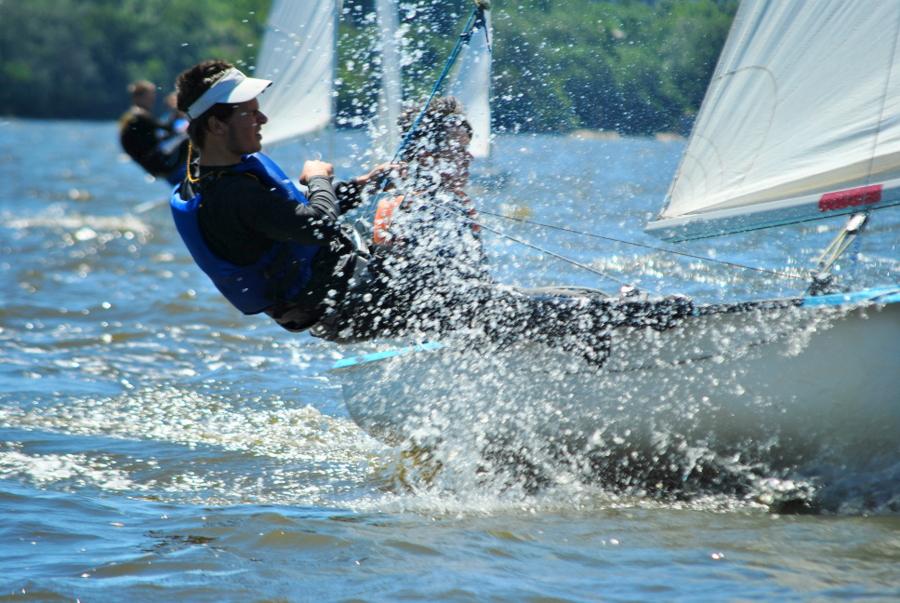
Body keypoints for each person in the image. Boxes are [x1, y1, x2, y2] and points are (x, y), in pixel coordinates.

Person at [170, 59, 692, 364]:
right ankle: (626, 321)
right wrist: (320, 178)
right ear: (215, 125)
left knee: (480, 296)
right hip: (355, 305)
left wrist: (357, 187)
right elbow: (317, 225)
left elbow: (295, 220)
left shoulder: (228, 177)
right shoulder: (231, 195)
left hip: (364, 288)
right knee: (481, 304)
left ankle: (596, 313)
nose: (262, 118)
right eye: (248, 112)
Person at [119, 80, 189, 185]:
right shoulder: (140, 116)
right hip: (159, 164)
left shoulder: (131, 116)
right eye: (150, 96)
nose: (153, 99)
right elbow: (168, 129)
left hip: (153, 164)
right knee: (191, 138)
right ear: (138, 97)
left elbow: (162, 135)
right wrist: (176, 111)